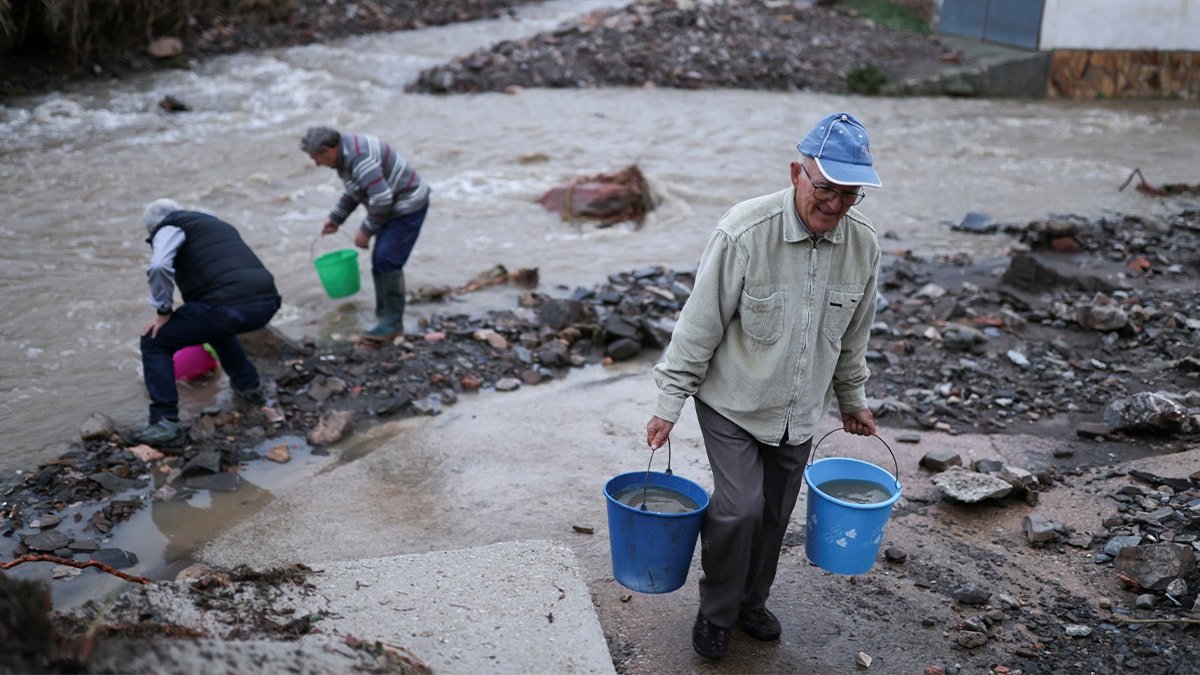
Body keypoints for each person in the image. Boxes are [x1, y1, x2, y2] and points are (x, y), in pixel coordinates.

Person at [645, 112, 883, 659]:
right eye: (826, 189)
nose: (836, 204)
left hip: (800, 411)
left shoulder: (863, 245)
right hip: (731, 402)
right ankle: (717, 611)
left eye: (851, 194)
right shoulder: (744, 231)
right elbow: (698, 324)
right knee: (740, 509)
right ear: (797, 172)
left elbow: (854, 335)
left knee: (775, 514)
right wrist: (668, 404)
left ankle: (752, 600)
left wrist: (853, 399)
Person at [128, 199, 282, 445]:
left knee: (154, 340)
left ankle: (164, 422)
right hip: (267, 303)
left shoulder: (168, 227)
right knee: (217, 327)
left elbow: (158, 266)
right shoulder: (212, 222)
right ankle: (250, 388)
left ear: (153, 228)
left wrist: (163, 311)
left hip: (227, 306)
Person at [299, 126, 431, 342]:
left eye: (316, 158)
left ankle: (392, 324)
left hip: (407, 203)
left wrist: (365, 232)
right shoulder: (345, 155)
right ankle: (384, 316)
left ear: (327, 150)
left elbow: (382, 199)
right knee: (382, 259)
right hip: (391, 205)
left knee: (387, 259)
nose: (316, 164)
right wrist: (336, 218)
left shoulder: (359, 158)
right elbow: (355, 191)